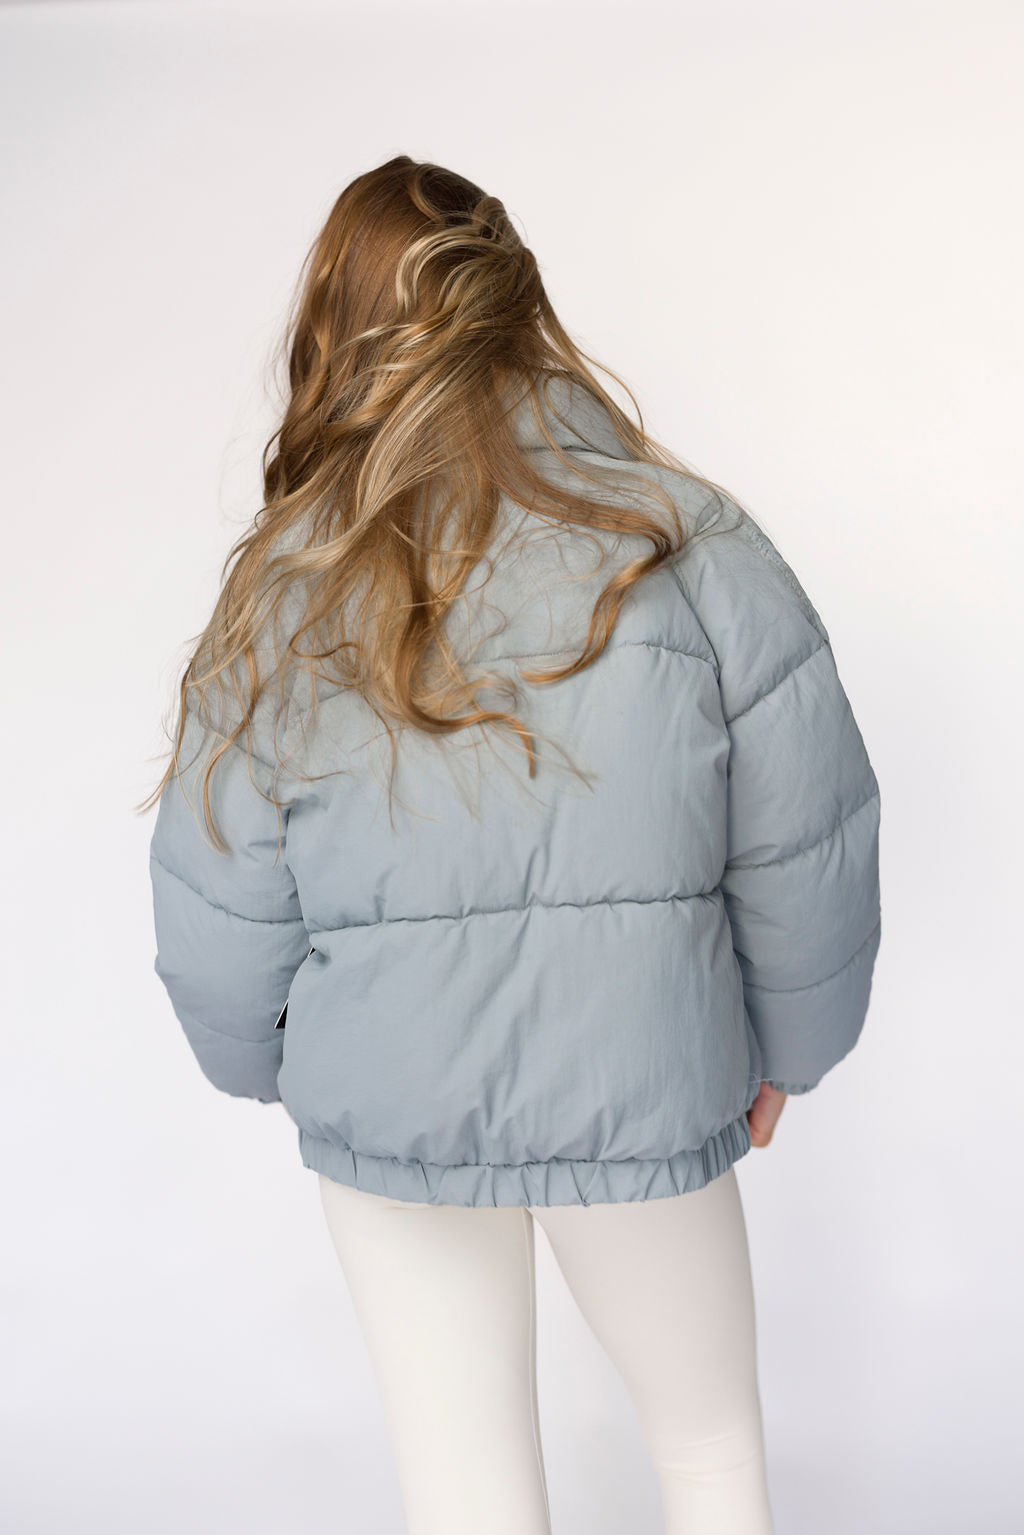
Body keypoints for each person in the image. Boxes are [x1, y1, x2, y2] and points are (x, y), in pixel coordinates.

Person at [140, 155, 882, 1535]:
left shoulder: (287, 585)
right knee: (710, 1452)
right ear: (519, 301)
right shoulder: (695, 542)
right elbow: (808, 831)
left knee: (464, 1488)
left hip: (395, 1099)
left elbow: (215, 887)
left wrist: (266, 1062)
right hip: (646, 1080)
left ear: (332, 327)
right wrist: (793, 1050)